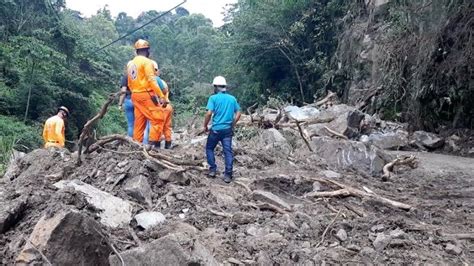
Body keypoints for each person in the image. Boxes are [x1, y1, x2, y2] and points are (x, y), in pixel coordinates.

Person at [126, 39, 168, 147]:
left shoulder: (131, 64)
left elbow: (129, 83)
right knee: (158, 119)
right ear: (147, 50)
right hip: (146, 94)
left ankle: (136, 146)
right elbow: (151, 80)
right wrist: (161, 96)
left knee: (139, 122)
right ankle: (151, 145)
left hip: (135, 95)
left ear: (136, 51)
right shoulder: (147, 62)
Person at [203, 76, 241, 183]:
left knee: (209, 148)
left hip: (215, 129)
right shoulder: (232, 99)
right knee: (228, 151)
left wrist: (205, 125)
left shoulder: (213, 98)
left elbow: (209, 113)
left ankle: (212, 170)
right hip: (227, 130)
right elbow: (238, 113)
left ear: (215, 87)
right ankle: (228, 175)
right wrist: (233, 123)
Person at [118, 71, 150, 144]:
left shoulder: (126, 76)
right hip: (139, 100)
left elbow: (123, 90)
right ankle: (143, 144)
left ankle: (131, 143)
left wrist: (120, 103)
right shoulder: (140, 76)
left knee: (130, 124)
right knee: (142, 123)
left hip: (128, 100)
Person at [151, 61, 173, 149]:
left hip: (161, 106)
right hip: (168, 106)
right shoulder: (162, 81)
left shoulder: (153, 80)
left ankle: (157, 147)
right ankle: (168, 145)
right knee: (167, 126)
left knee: (158, 126)